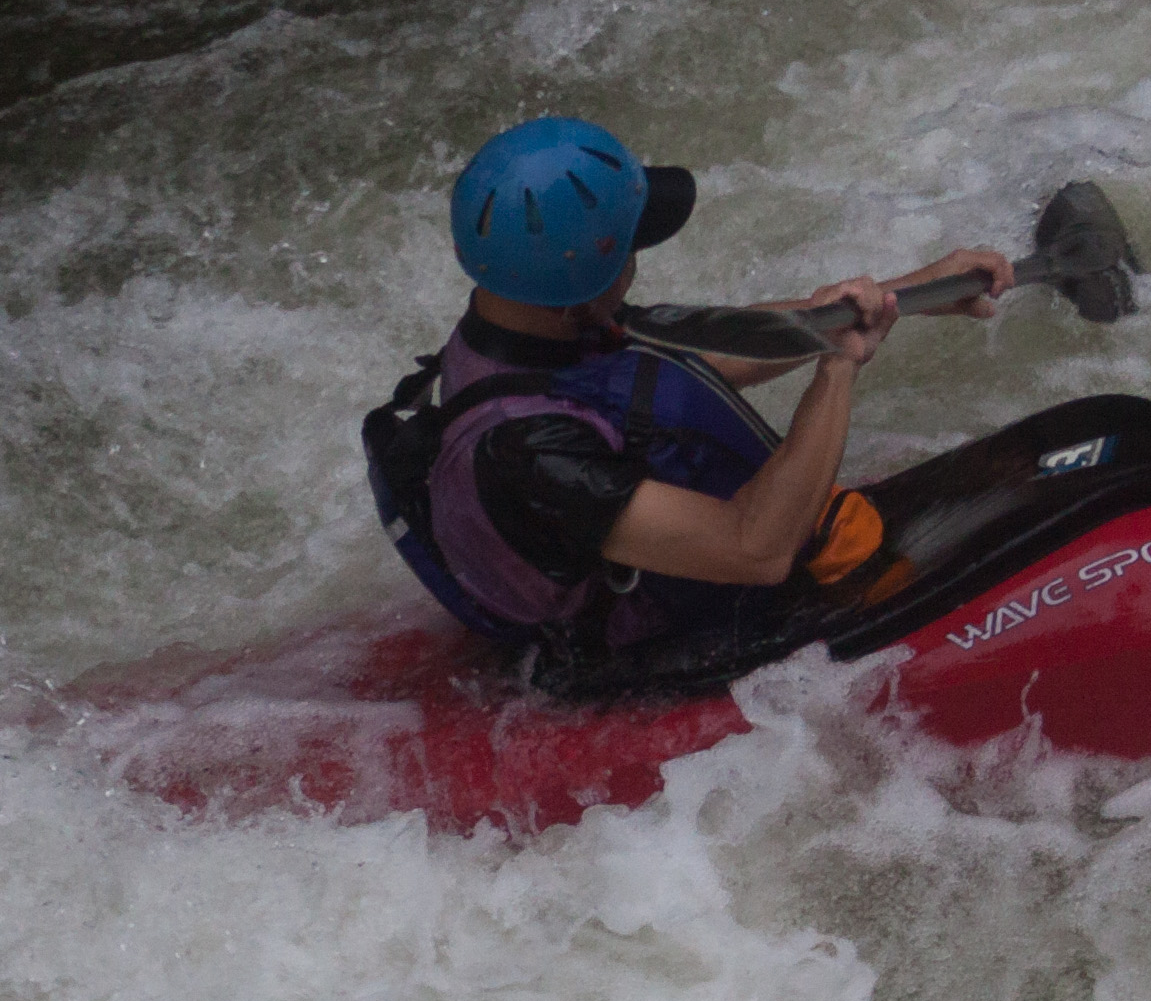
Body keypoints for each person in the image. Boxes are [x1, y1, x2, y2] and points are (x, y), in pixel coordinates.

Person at [366, 117, 1013, 665]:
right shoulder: (531, 450)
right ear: (586, 283)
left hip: (673, 540)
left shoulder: (526, 311)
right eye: (629, 249)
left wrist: (910, 293)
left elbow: (695, 358)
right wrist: (839, 369)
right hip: (662, 645)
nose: (635, 260)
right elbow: (757, 548)